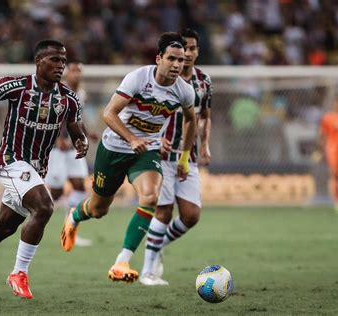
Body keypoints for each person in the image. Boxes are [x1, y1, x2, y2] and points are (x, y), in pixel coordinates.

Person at [0, 39, 88, 299]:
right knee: (45, 207)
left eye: (63, 61)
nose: (60, 66)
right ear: (39, 62)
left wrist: (82, 140)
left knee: (5, 226)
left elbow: (74, 126)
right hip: (11, 160)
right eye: (54, 60)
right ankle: (18, 273)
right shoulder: (17, 86)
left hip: (36, 168)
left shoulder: (69, 98)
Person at [60, 32, 197, 283]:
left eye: (181, 60)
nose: (178, 64)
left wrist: (184, 156)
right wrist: (131, 139)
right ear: (159, 59)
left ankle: (122, 261)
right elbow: (109, 114)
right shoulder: (138, 78)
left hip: (147, 151)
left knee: (150, 197)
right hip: (113, 148)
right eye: (172, 59)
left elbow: (191, 120)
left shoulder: (184, 91)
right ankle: (75, 215)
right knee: (99, 209)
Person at [139, 28, 213, 285]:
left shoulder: (203, 82)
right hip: (161, 154)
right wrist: (154, 139)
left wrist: (204, 145)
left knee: (191, 215)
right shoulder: (158, 79)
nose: (188, 54)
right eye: (184, 50)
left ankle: (156, 245)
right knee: (163, 212)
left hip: (187, 155)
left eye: (192, 49)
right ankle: (147, 271)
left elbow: (204, 117)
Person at [45, 61, 98, 247]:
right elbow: (56, 115)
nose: (76, 74)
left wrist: (88, 133)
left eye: (79, 71)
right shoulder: (59, 91)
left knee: (79, 186)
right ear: (67, 73)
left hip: (73, 146)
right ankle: (33, 214)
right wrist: (59, 137)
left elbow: (77, 118)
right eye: (73, 70)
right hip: (57, 148)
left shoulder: (81, 93)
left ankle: (69, 229)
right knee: (57, 191)